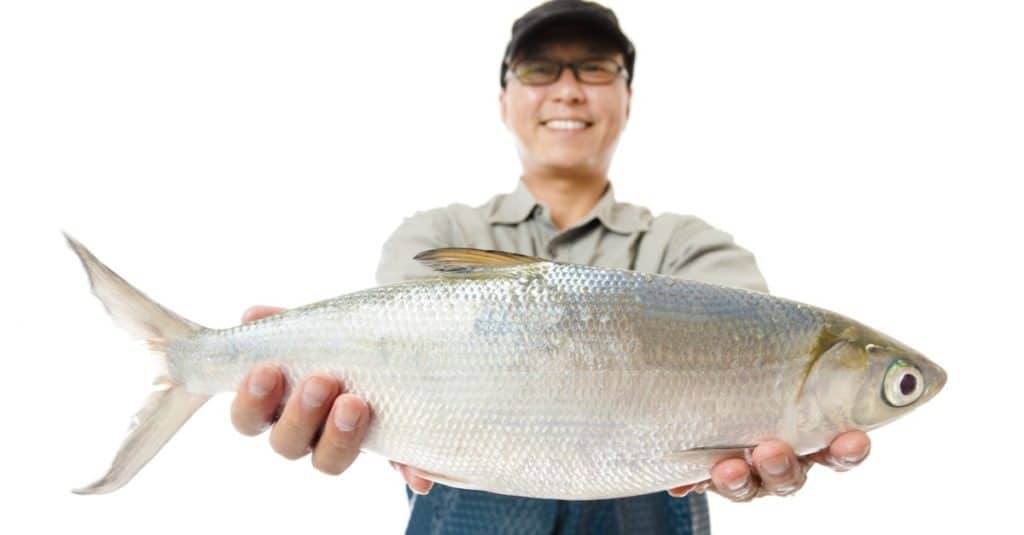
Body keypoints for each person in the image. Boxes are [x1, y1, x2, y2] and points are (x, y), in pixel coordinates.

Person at [230, 1, 871, 533]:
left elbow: (763, 358)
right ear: (504, 100)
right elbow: (389, 369)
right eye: (540, 69)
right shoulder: (436, 235)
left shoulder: (693, 249)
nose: (567, 88)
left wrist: (770, 437)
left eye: (594, 68)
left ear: (626, 97)